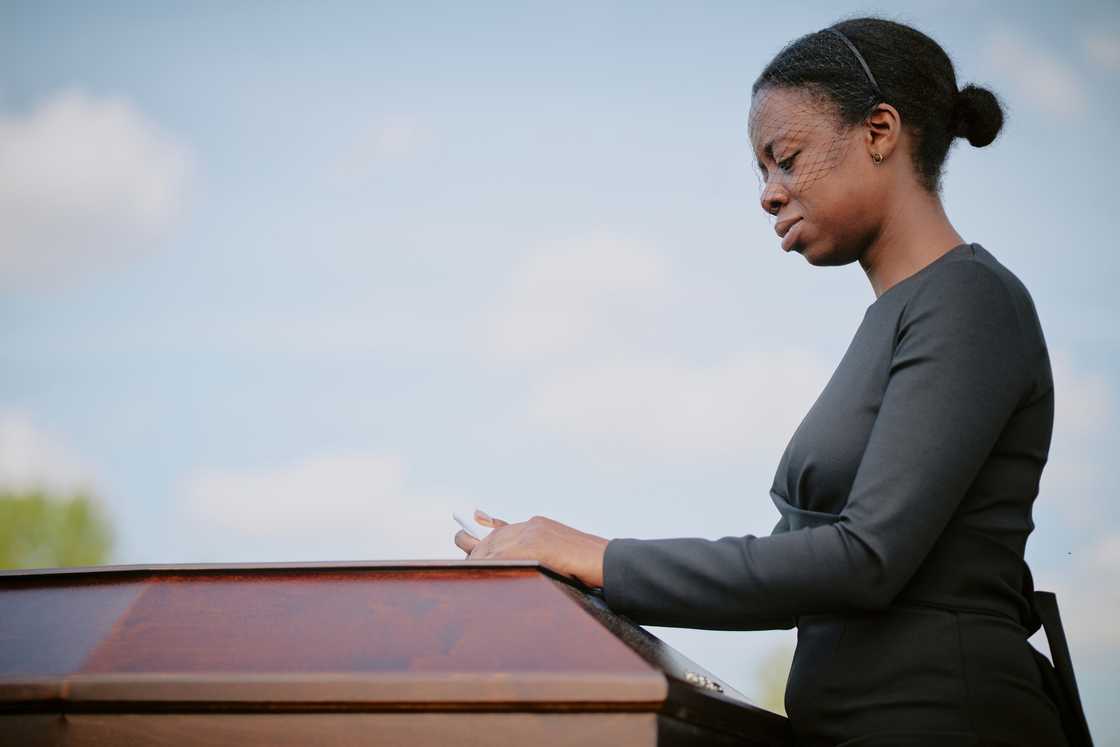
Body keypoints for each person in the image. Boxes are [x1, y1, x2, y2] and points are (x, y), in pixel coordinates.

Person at [454, 17, 1076, 747]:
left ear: (879, 131)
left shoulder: (970, 301)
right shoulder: (897, 318)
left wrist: (597, 553)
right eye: (762, 172)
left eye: (787, 159)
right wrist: (572, 576)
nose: (769, 194)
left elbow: (864, 558)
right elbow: (790, 566)